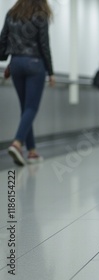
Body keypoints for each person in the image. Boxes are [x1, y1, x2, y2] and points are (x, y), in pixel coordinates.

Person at [0, 0, 56, 166]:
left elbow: (2, 40)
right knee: (31, 108)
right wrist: (51, 72)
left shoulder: (12, 13)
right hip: (34, 64)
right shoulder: (40, 15)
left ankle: (32, 152)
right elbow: (44, 45)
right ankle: (17, 143)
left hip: (16, 63)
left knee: (26, 108)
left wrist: (6, 58)